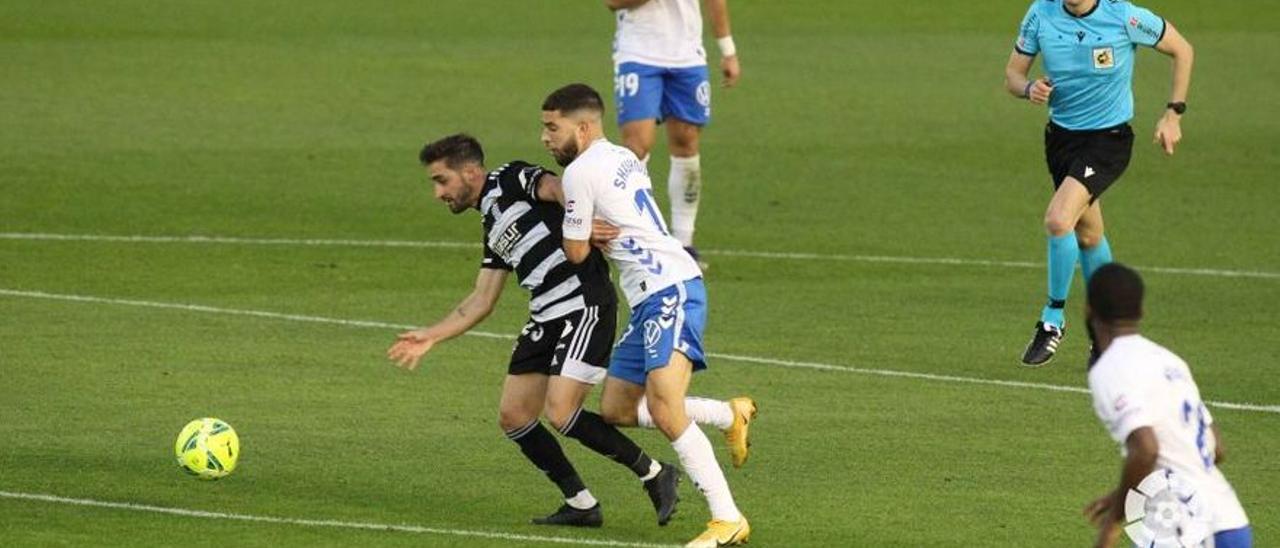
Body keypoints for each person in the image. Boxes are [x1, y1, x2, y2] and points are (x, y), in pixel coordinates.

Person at [386, 134, 680, 528]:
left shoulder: (508, 178)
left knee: (561, 412)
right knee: (514, 415)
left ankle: (655, 473)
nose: (438, 192)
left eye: (442, 180)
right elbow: (481, 299)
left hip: (584, 304)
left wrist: (581, 224)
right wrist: (432, 335)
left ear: (470, 172)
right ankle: (581, 503)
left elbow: (557, 186)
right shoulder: (492, 224)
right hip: (546, 315)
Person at [541, 83, 751, 548]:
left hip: (670, 288)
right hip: (649, 298)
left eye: (552, 127)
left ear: (583, 126)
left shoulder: (578, 173)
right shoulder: (621, 155)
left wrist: (582, 235)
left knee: (663, 405)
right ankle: (726, 414)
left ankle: (727, 517)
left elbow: (575, 252)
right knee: (615, 408)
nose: (545, 138)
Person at [1004, 0, 1194, 366]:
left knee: (1059, 219)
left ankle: (1052, 320)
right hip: (1060, 140)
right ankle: (1110, 336)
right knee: (1088, 235)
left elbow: (1182, 49)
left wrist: (1174, 113)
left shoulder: (1124, 16)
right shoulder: (1041, 13)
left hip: (1108, 140)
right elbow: (1012, 75)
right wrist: (1029, 89)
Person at [1083, 263, 1251, 548]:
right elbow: (1216, 448)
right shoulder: (1170, 361)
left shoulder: (1109, 368)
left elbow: (1146, 449)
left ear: (1089, 309)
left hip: (1185, 530)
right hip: (1231, 524)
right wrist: (1122, 492)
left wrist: (1114, 519)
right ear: (1141, 312)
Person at [606, 0, 741, 266]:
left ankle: (684, 243)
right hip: (638, 54)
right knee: (637, 145)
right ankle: (641, 237)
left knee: (686, 143)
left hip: (688, 56)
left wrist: (728, 50)